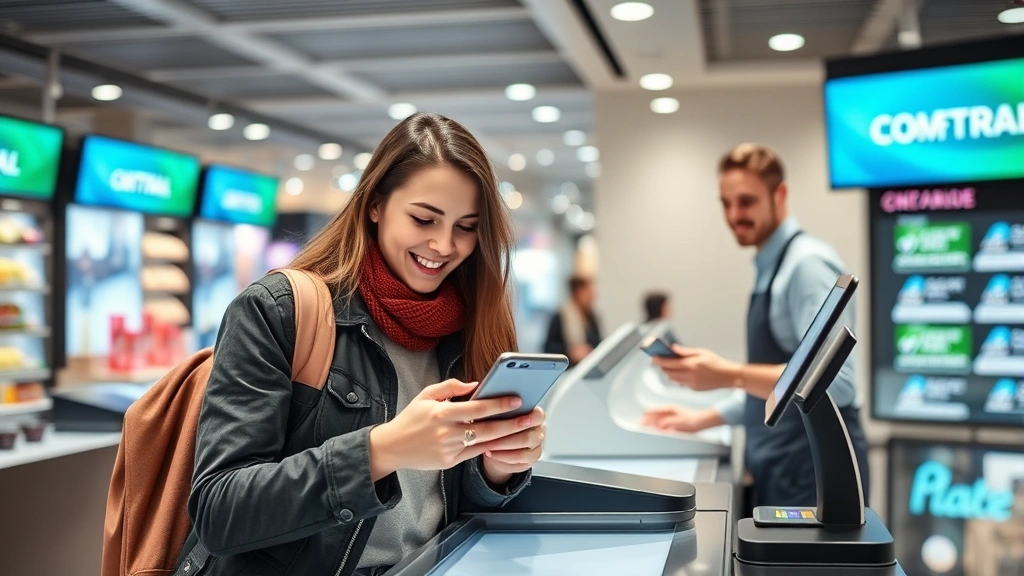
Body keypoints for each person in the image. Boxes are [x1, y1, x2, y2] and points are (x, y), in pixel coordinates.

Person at [182, 113, 546, 576]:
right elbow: (220, 510)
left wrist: (499, 468)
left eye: (466, 226)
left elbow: (443, 505)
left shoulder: (471, 328)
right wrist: (381, 450)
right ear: (375, 205)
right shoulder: (279, 310)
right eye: (423, 218)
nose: (443, 244)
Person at [641, 143, 869, 509]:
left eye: (746, 202)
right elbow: (776, 379)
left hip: (813, 476)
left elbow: (836, 385)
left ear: (780, 195)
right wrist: (703, 419)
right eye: (726, 203)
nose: (734, 215)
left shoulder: (806, 266)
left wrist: (730, 374)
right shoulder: (772, 265)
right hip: (784, 468)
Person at [543, 275, 602, 365]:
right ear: (577, 292)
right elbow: (549, 348)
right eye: (588, 292)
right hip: (568, 370)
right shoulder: (560, 316)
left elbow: (599, 342)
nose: (592, 296)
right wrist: (570, 352)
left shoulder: (592, 316)